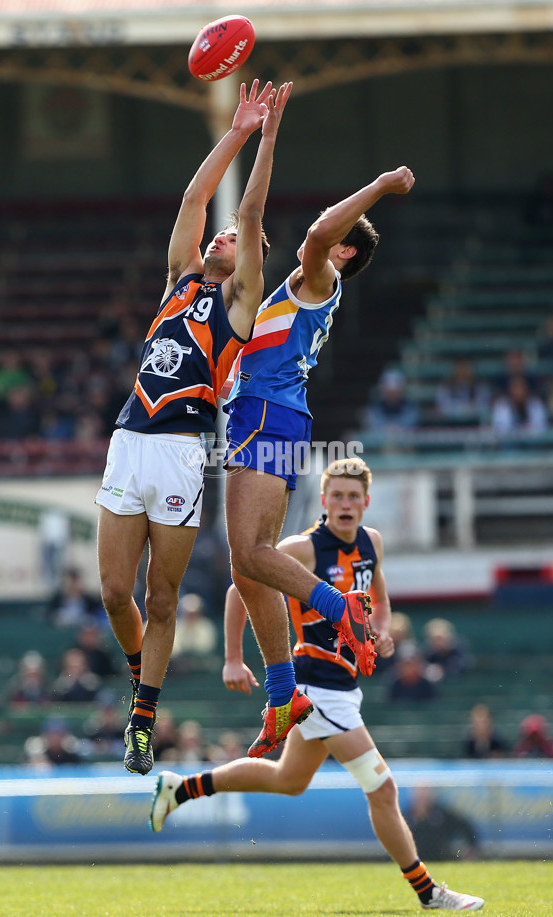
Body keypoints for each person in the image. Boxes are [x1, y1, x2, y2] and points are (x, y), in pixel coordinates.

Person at [150, 457, 484, 912]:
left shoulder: (372, 543)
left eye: (353, 496)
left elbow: (380, 600)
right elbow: (239, 586)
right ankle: (428, 892)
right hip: (314, 687)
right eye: (337, 495)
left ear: (366, 502)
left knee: (290, 779)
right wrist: (232, 658)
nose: (345, 504)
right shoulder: (303, 548)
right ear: (323, 500)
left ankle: (180, 788)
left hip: (344, 688)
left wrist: (382, 631)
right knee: (382, 789)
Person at [94, 79, 292, 775]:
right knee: (115, 593)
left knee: (161, 595)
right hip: (130, 441)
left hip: (181, 451)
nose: (224, 233)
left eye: (238, 238)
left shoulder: (238, 306)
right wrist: (235, 131)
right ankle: (140, 683)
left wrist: (266, 142)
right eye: (224, 230)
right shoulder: (179, 279)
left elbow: (250, 206)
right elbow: (192, 200)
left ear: (248, 264)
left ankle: (142, 719)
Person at [222, 167, 415, 757]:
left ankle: (341, 609)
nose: (322, 238)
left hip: (266, 413)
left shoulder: (319, 274)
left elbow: (313, 235)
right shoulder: (308, 289)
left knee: (250, 556)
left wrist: (379, 186)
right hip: (273, 416)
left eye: (338, 235)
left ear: (345, 251)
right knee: (247, 569)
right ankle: (284, 695)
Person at [404, 786, 479, 862]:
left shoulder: (442, 814)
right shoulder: (406, 816)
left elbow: (464, 825)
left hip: (441, 858)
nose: (422, 795)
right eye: (419, 791)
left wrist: (470, 847)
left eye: (425, 791)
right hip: (414, 861)